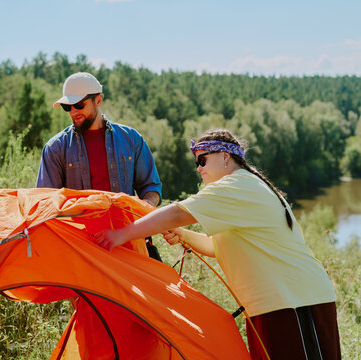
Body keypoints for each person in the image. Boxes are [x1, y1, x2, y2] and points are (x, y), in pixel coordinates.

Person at [95, 129, 341, 360]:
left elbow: (176, 213)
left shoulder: (237, 185)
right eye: (196, 163)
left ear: (225, 157)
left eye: (202, 160)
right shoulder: (243, 188)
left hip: (295, 301)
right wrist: (182, 235)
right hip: (275, 303)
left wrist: (122, 234)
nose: (198, 169)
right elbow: (216, 247)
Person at [37, 71, 163, 257]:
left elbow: (151, 188)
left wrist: (146, 208)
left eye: (79, 104)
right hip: (80, 249)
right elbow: (46, 204)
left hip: (127, 243)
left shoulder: (131, 139)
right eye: (67, 107)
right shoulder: (56, 148)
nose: (73, 111)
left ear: (98, 100)